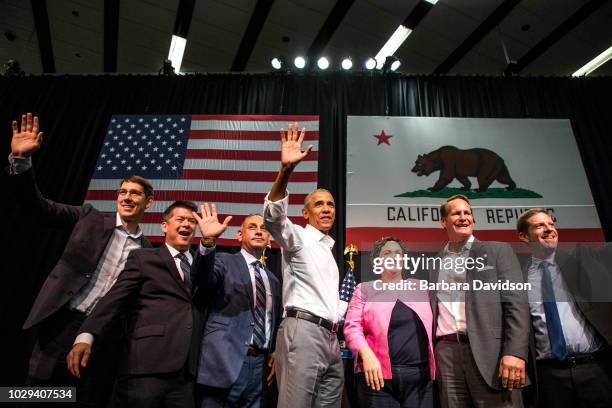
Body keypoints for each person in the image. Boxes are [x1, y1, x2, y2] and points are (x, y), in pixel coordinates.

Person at [6, 113, 154, 407]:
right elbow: (38, 207)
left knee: (79, 398)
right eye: (122, 192)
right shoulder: (89, 217)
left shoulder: (148, 251)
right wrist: (20, 161)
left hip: (102, 335)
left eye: (135, 193)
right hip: (61, 323)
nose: (126, 197)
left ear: (148, 202)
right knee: (36, 394)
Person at [67, 201, 231, 408]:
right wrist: (86, 336)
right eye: (180, 219)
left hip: (187, 371)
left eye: (192, 221)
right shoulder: (144, 258)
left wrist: (208, 242)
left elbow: (206, 283)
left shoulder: (203, 264)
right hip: (145, 365)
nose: (187, 225)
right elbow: (114, 299)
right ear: (164, 225)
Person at [263, 122, 348, 407]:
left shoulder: (328, 252)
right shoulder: (298, 237)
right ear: (306, 213)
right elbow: (273, 219)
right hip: (303, 331)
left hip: (332, 340)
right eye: (319, 204)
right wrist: (285, 170)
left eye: (331, 205)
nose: (326, 209)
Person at [431, 194, 530, 408]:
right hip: (446, 354)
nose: (464, 217)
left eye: (468, 213)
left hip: (491, 354)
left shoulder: (497, 251)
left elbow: (516, 304)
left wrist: (515, 351)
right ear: (443, 222)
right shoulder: (435, 261)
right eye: (457, 213)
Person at [516, 208, 612, 408]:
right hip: (549, 378)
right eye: (540, 225)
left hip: (597, 370)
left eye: (551, 224)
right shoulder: (519, 278)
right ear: (524, 237)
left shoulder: (581, 261)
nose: (549, 229)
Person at [196, 214, 282, 408]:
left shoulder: (273, 279)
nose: (259, 231)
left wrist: (275, 350)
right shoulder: (224, 261)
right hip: (223, 362)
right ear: (239, 235)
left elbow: (272, 321)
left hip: (260, 368)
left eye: (264, 228)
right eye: (252, 227)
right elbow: (202, 279)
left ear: (269, 239)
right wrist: (208, 242)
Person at [344, 237, 435, 408]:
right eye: (387, 253)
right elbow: (352, 328)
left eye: (398, 253)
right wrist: (367, 354)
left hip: (420, 380)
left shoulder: (421, 288)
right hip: (378, 379)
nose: (393, 257)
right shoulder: (364, 289)